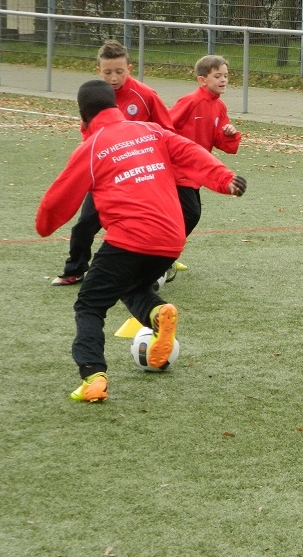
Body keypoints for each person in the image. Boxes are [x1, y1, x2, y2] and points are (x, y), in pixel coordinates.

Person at [36, 80, 247, 402]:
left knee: (90, 304)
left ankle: (93, 376)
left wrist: (44, 225)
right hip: (171, 238)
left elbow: (58, 199)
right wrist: (224, 179)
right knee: (132, 286)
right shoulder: (150, 131)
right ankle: (157, 313)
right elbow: (191, 153)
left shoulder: (91, 148)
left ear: (82, 115)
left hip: (130, 238)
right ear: (115, 106)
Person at [51, 40, 174, 286]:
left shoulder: (146, 96)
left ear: (129, 68)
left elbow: (167, 132)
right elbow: (88, 135)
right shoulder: (94, 99)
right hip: (108, 175)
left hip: (141, 175)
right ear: (99, 71)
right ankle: (75, 269)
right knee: (85, 224)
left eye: (119, 71)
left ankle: (160, 265)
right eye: (107, 72)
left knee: (148, 223)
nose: (114, 78)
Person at [170, 55, 242, 238]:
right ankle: (162, 249)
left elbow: (224, 144)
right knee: (190, 214)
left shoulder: (219, 107)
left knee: (187, 215)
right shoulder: (191, 101)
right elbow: (165, 125)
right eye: (217, 76)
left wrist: (230, 135)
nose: (223, 80)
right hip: (177, 169)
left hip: (195, 170)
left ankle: (164, 249)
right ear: (202, 80)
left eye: (226, 76)